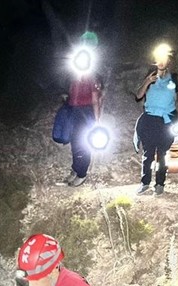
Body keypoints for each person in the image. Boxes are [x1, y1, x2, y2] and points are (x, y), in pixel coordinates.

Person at [133, 42, 178, 196]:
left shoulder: (173, 79)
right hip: (149, 119)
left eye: (164, 58)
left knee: (162, 154)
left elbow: (174, 97)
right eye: (158, 58)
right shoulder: (150, 76)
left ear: (168, 61)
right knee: (148, 153)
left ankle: (160, 184)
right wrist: (147, 81)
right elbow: (138, 96)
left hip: (165, 121)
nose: (161, 61)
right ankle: (145, 183)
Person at [62, 30, 104, 187]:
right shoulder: (75, 70)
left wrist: (97, 121)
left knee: (83, 144)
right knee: (74, 142)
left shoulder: (92, 74)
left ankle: (82, 173)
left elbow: (95, 99)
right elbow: (70, 91)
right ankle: (75, 168)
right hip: (74, 111)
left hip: (86, 112)